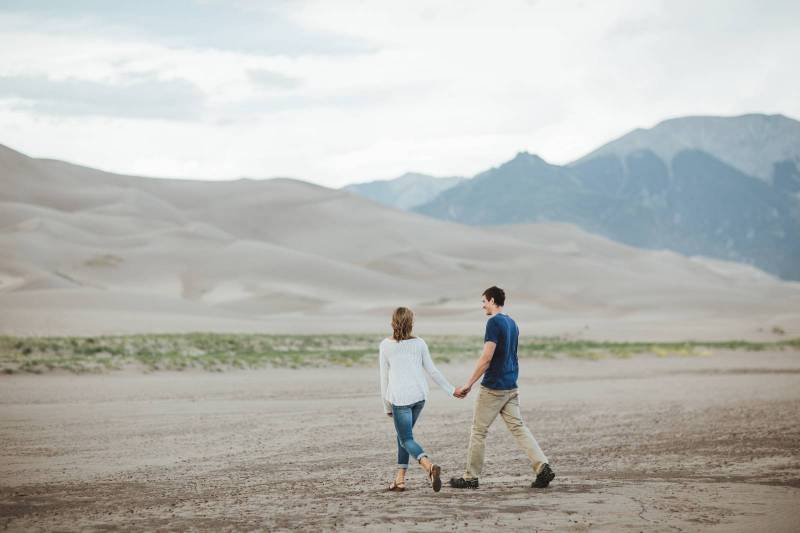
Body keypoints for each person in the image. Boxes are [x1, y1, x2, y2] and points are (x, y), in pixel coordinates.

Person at [449, 286, 555, 489]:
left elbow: (487, 357)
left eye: (484, 302)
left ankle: (470, 477)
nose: (483, 306)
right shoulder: (512, 322)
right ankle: (543, 467)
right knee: (519, 428)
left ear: (491, 300)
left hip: (494, 387)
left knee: (478, 431)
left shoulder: (494, 322)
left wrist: (469, 384)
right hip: (510, 385)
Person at [379, 306, 458, 492]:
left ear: (393, 322)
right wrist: (451, 390)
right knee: (403, 437)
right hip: (419, 397)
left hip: (400, 399)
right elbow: (432, 370)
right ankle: (400, 480)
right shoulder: (420, 343)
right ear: (411, 323)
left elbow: (383, 378)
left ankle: (429, 467)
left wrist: (386, 406)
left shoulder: (385, 345)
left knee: (406, 439)